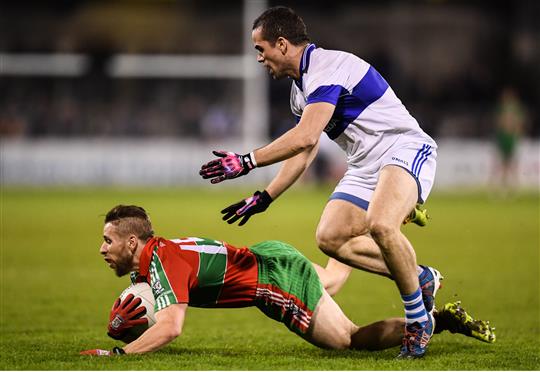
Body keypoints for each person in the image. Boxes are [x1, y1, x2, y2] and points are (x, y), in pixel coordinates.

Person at [199, 6, 439, 358]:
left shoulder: (326, 68)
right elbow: (306, 148)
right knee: (331, 237)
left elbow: (305, 134)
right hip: (365, 165)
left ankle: (418, 321)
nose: (259, 58)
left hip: (403, 148)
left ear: (282, 44)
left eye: (260, 49)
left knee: (381, 225)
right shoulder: (301, 91)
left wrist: (248, 161)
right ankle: (420, 276)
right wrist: (266, 195)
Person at [80, 205, 494, 356]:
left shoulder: (163, 263)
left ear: (132, 241)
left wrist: (121, 354)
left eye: (107, 240)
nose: (101, 249)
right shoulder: (160, 254)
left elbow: (171, 327)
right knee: (331, 277)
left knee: (349, 339)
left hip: (275, 280)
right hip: (270, 254)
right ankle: (380, 219)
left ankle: (433, 322)